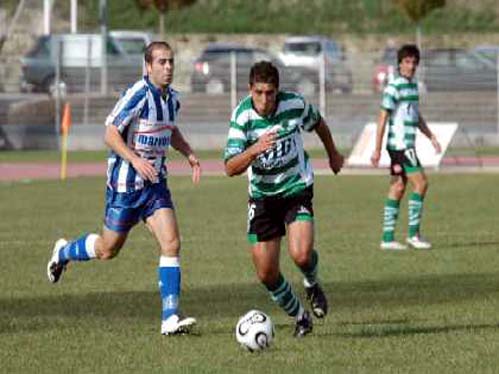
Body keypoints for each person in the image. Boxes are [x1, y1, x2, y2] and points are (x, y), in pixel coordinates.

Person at [46, 41, 201, 336]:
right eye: (162, 62)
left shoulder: (172, 99)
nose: (168, 67)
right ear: (148, 66)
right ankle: (63, 252)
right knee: (108, 250)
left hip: (155, 185)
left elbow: (170, 129)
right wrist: (135, 160)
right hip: (124, 187)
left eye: (171, 62)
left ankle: (169, 318)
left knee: (172, 243)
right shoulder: (138, 95)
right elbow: (110, 133)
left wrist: (188, 152)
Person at [223, 61, 344, 337]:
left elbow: (319, 124)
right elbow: (230, 167)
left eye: (270, 93)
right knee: (266, 273)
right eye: (259, 93)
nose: (265, 100)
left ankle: (312, 283)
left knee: (301, 254)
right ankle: (301, 317)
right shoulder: (242, 118)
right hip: (262, 198)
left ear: (278, 90)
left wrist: (333, 154)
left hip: (295, 188)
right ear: (250, 90)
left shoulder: (295, 105)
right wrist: (254, 149)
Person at [371, 44, 441, 251]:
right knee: (421, 184)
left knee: (398, 187)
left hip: (404, 145)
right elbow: (382, 117)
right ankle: (413, 235)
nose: (411, 66)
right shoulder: (394, 87)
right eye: (407, 62)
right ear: (400, 64)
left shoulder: (412, 86)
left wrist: (431, 136)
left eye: (414, 62)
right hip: (400, 145)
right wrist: (377, 149)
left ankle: (387, 238)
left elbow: (415, 116)